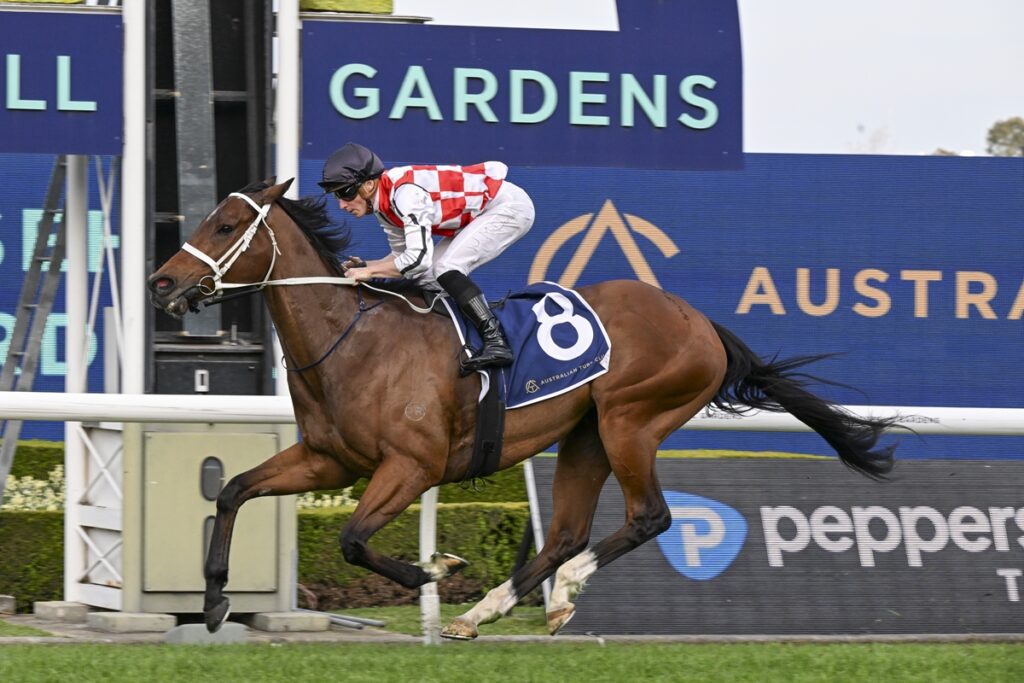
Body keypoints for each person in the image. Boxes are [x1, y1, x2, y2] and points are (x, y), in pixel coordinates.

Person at [317, 142, 535, 374]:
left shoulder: (405, 195)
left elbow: (417, 259)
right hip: (480, 213)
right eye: (336, 196)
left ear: (369, 185)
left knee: (445, 267)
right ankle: (453, 339)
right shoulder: (383, 206)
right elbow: (403, 256)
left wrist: (369, 273)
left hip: (509, 207)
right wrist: (368, 265)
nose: (341, 204)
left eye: (344, 193)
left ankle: (496, 341)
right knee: (427, 278)